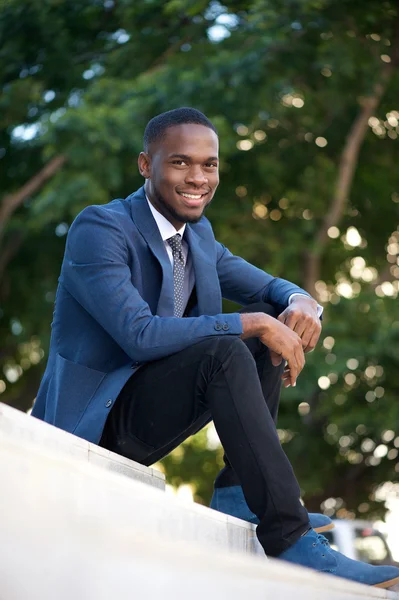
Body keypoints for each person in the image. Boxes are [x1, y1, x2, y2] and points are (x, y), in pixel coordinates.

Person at [32, 108, 399, 589]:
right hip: (92, 427)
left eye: (210, 165)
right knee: (232, 344)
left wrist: (302, 303)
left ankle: (238, 494)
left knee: (260, 337)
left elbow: (271, 287)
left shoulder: (198, 237)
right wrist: (252, 322)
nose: (198, 178)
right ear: (146, 165)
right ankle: (291, 542)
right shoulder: (101, 228)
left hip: (147, 412)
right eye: (181, 162)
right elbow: (139, 335)